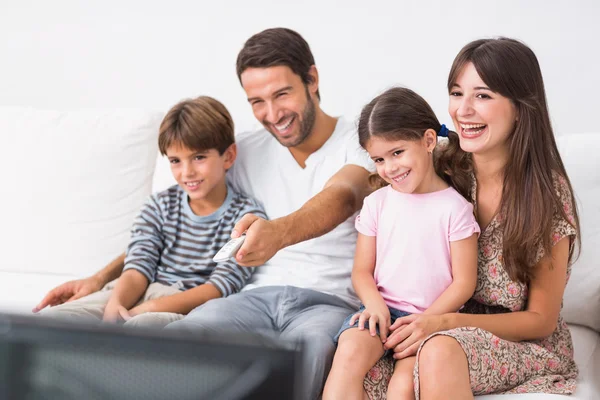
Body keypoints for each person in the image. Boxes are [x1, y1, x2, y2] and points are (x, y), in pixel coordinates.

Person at [35, 28, 374, 400]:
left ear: (312, 79)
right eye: (257, 101)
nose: (273, 114)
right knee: (180, 336)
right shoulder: (246, 150)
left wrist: (277, 233)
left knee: (308, 350)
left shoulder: (359, 139)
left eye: (282, 94)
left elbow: (344, 195)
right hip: (252, 298)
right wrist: (101, 278)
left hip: (326, 301)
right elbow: (168, 228)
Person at [363, 38, 581, 400]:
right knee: (361, 363)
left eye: (482, 96)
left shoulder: (546, 194)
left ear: (520, 108)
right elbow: (375, 176)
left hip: (516, 341)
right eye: (456, 93)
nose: (462, 110)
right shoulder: (445, 164)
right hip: (432, 321)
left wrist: (442, 324)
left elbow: (540, 319)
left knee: (439, 350)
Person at [36, 96, 266, 328]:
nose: (187, 172)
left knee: (142, 327)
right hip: (133, 290)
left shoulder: (247, 216)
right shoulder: (159, 206)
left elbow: (218, 288)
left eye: (198, 157)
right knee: (54, 321)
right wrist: (116, 306)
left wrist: (148, 309)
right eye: (176, 160)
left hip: (186, 306)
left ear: (228, 156)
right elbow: (137, 267)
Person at [322, 87, 480, 400]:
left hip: (429, 320)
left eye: (397, 153)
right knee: (348, 351)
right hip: (380, 312)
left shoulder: (455, 208)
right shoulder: (377, 203)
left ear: (429, 141)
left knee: (402, 387)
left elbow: (464, 283)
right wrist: (375, 304)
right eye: (379, 159)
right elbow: (361, 272)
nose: (390, 167)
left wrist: (426, 322)